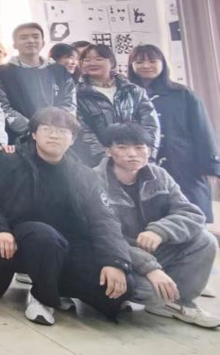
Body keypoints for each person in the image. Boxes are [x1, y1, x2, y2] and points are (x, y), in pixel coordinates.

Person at [0, 107, 134, 325]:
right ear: (33, 134)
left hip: (68, 244)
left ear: (73, 139)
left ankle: (58, 286)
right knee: (45, 237)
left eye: (62, 131)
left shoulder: (84, 175)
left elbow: (104, 219)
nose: (54, 135)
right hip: (20, 239)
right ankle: (42, 298)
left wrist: (114, 261)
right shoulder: (10, 160)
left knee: (123, 287)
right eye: (46, 129)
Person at [95, 123, 219, 328]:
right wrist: (150, 268)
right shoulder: (94, 180)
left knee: (205, 240)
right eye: (123, 147)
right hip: (117, 258)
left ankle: (177, 302)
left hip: (155, 250)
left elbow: (192, 213)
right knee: (150, 291)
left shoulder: (159, 175)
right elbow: (105, 237)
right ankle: (163, 299)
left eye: (139, 147)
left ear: (149, 151)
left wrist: (160, 231)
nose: (132, 154)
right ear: (108, 151)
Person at [128, 44, 219, 223]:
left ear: (162, 63)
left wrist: (211, 166)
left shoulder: (182, 93)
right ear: (131, 66)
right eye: (139, 62)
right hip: (141, 164)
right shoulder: (127, 95)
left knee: (191, 216)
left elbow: (202, 130)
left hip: (184, 163)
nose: (146, 66)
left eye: (152, 61)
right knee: (151, 218)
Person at [74, 44, 159, 166]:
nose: (92, 63)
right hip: (99, 164)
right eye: (86, 60)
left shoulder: (134, 91)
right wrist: (107, 160)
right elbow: (83, 132)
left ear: (112, 62)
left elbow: (151, 125)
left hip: (137, 161)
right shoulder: (76, 94)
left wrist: (146, 156)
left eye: (98, 59)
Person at [0, 23, 76, 144]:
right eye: (24, 37)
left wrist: (53, 129)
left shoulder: (60, 71)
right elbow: (3, 107)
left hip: (56, 138)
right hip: (19, 141)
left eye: (35, 37)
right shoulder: (1, 73)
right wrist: (35, 130)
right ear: (14, 44)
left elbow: (69, 104)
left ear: (43, 43)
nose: (30, 41)